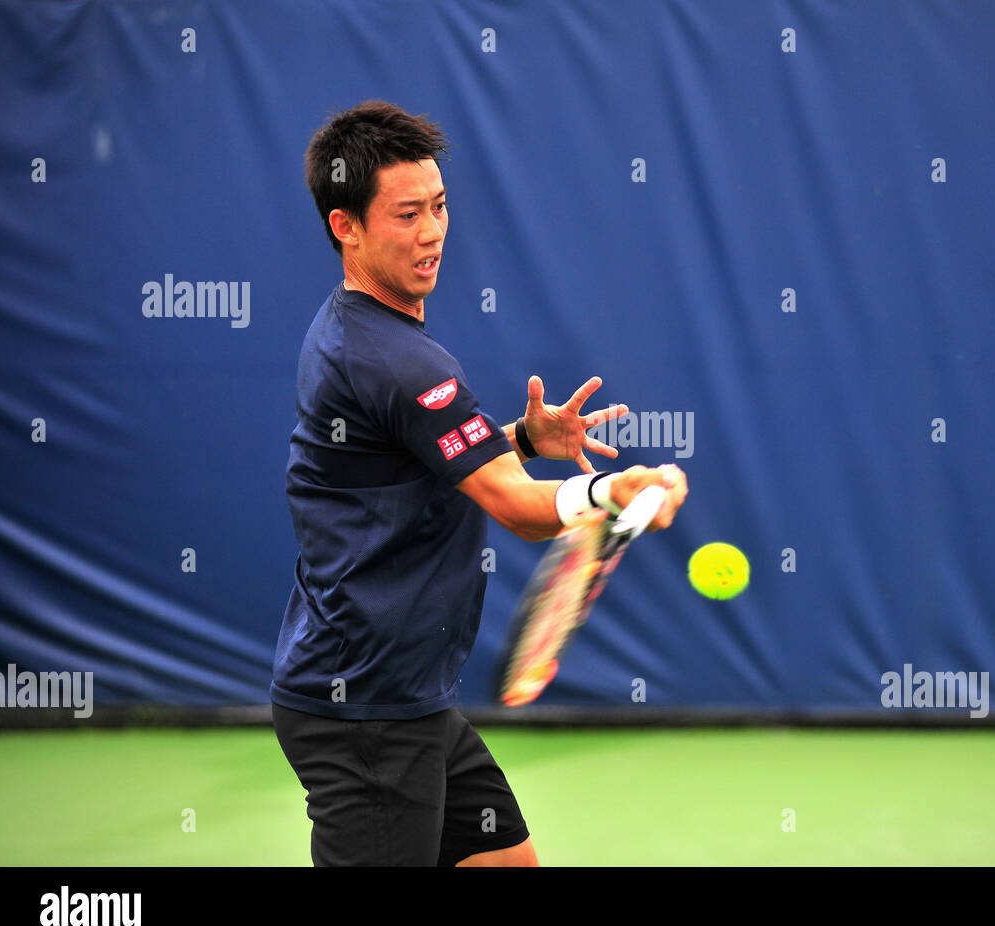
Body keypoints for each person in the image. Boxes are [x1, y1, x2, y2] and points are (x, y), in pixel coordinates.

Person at [270, 100, 688, 867]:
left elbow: (421, 464)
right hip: (366, 714)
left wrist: (525, 439)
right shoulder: (400, 363)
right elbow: (519, 509)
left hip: (404, 698)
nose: (432, 233)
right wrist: (606, 495)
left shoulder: (353, 332)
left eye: (439, 208)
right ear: (346, 226)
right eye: (407, 215)